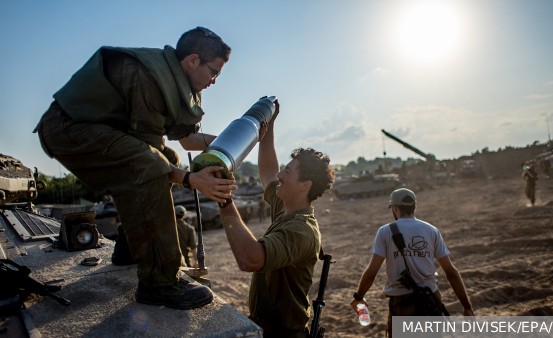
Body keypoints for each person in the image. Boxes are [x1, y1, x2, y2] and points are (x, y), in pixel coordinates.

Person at [33, 27, 238, 309]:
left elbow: (186, 140)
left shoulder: (174, 79)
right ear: (193, 61)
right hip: (67, 129)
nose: (214, 81)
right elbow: (147, 161)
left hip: (93, 128)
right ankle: (159, 283)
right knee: (152, 163)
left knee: (168, 157)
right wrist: (191, 180)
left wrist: (231, 143)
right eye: (213, 72)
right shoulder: (149, 78)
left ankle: (130, 248)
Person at [218, 101, 335, 337]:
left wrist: (224, 200)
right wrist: (268, 127)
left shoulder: (301, 230)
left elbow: (250, 259)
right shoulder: (286, 208)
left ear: (305, 185)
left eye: (288, 172)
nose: (281, 174)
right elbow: (269, 173)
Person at [351, 188, 474, 336]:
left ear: (395, 208)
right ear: (414, 207)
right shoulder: (431, 230)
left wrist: (359, 297)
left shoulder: (385, 232)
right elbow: (451, 273)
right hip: (430, 302)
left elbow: (371, 272)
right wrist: (467, 307)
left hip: (402, 305)